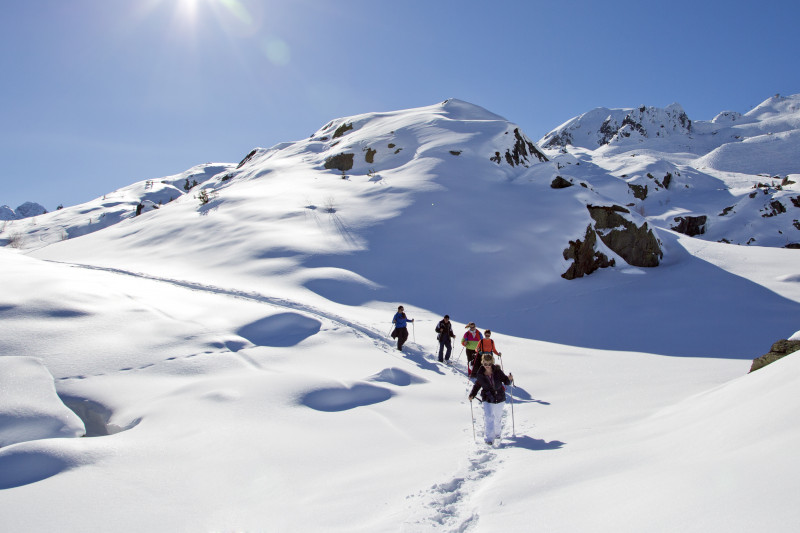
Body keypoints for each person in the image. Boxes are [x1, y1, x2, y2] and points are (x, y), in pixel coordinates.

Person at [469, 353, 513, 446]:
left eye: (489, 364)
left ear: (492, 363)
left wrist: (509, 379)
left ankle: (497, 434)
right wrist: (472, 394)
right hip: (487, 397)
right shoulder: (480, 374)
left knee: (497, 417)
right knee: (489, 417)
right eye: (485, 364)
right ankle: (489, 438)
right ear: (482, 363)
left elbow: (505, 381)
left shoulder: (497, 371)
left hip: (499, 397)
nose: (487, 366)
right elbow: (477, 385)